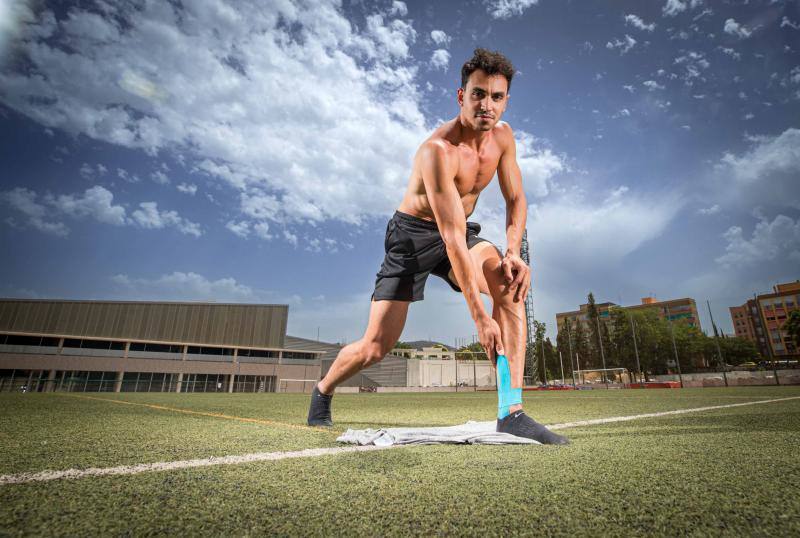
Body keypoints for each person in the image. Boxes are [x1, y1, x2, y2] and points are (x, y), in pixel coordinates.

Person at [307, 48, 568, 445]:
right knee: (376, 347)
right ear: (461, 96)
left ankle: (511, 412)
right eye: (478, 94)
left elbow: (516, 200)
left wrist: (513, 250)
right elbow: (449, 238)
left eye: (496, 97)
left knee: (509, 285)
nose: (487, 105)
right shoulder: (437, 151)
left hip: (459, 231)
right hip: (412, 236)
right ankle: (323, 389)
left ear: (506, 101)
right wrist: (481, 319)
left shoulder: (503, 137)